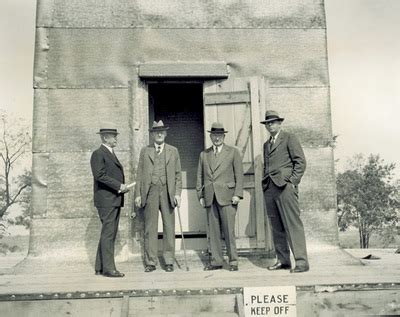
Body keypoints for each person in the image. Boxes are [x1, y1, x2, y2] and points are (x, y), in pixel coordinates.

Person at [260, 110, 309, 273]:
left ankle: (301, 262)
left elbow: (300, 162)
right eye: (268, 123)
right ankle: (283, 260)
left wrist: (292, 182)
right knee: (276, 226)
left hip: (285, 188)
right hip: (270, 188)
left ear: (280, 123)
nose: (270, 125)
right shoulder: (266, 144)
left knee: (292, 224)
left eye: (273, 122)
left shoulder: (289, 138)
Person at [135, 120, 182, 273]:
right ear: (152, 134)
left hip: (168, 192)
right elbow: (140, 174)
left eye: (162, 131)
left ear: (166, 134)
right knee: (150, 228)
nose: (159, 134)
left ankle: (168, 261)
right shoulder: (145, 151)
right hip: (150, 192)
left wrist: (177, 194)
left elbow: (178, 175)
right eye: (156, 132)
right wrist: (138, 195)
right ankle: (151, 262)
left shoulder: (173, 151)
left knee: (169, 227)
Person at [196, 122, 243, 271]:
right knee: (214, 232)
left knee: (229, 231)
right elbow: (199, 177)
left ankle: (233, 261)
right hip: (210, 197)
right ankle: (216, 261)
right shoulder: (204, 154)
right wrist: (200, 195)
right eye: (214, 135)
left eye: (219, 135)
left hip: (228, 197)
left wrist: (237, 194)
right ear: (210, 136)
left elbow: (239, 176)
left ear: (224, 136)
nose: (217, 138)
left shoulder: (233, 152)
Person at [90, 127, 130, 278]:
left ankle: (100, 266)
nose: (116, 139)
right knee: (108, 233)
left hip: (113, 199)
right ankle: (109, 269)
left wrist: (121, 188)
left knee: (108, 233)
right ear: (105, 138)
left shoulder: (108, 153)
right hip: (107, 200)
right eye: (113, 136)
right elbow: (99, 175)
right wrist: (119, 186)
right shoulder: (98, 154)